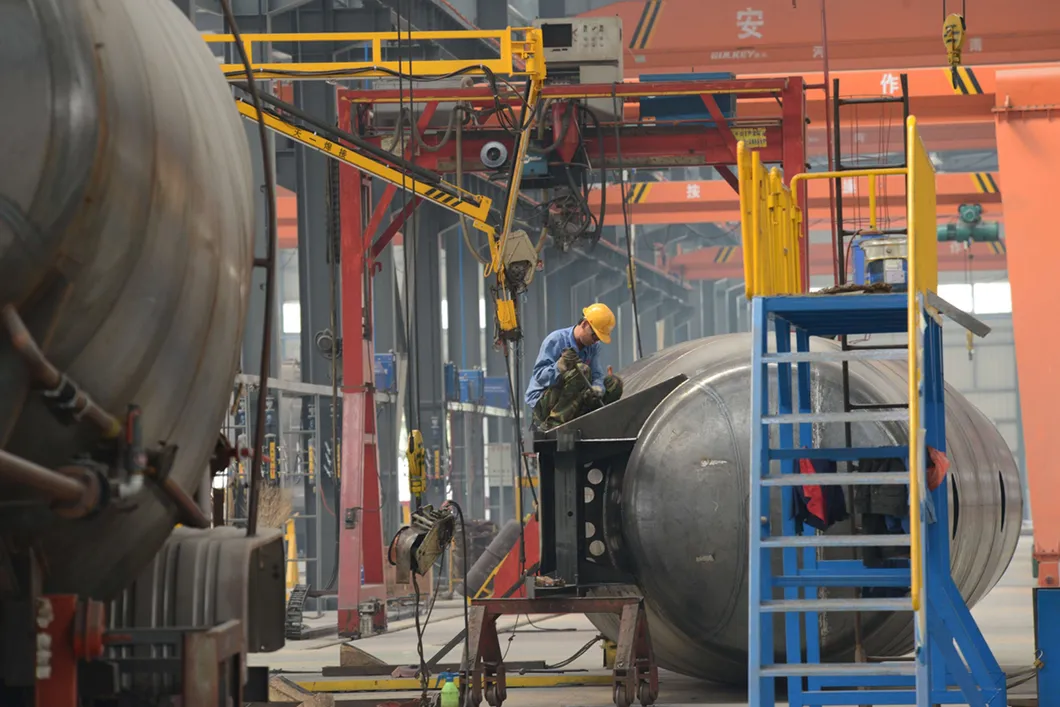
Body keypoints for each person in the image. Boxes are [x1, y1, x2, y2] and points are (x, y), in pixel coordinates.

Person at [524, 303, 623, 431]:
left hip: (572, 398)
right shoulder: (556, 340)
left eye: (598, 338)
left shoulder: (593, 347)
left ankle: (586, 421)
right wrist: (559, 367)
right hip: (543, 404)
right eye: (594, 336)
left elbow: (597, 375)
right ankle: (553, 425)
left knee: (613, 383)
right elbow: (539, 377)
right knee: (582, 370)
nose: (595, 340)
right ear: (585, 324)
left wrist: (597, 388)